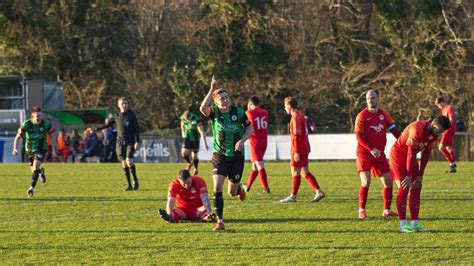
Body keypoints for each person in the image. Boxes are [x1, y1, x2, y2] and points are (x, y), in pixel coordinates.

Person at [199, 76, 253, 231]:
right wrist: (211, 90)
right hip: (220, 155)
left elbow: (250, 129)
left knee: (232, 191)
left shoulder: (239, 112)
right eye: (221, 98)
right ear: (215, 102)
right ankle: (220, 221)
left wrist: (242, 141)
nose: (224, 100)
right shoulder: (214, 113)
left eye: (226, 97)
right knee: (217, 187)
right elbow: (202, 108)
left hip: (236, 156)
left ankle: (240, 189)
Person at [390, 115, 450, 232]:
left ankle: (414, 223)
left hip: (410, 159)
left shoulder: (434, 135)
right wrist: (408, 175)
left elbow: (426, 154)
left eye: (441, 132)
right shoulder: (416, 129)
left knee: (417, 186)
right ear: (434, 124)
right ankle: (403, 225)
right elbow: (410, 153)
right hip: (398, 156)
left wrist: (420, 175)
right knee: (404, 186)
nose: (439, 134)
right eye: (439, 130)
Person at [354, 90, 401, 219]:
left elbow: (394, 130)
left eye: (373, 98)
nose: (370, 100)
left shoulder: (384, 115)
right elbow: (358, 136)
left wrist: (403, 141)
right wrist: (370, 149)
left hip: (379, 153)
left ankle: (387, 210)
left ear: (378, 99)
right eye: (368, 98)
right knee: (366, 181)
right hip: (364, 153)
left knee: (388, 181)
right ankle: (361, 210)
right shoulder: (362, 116)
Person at [280, 97, 325, 203]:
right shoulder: (300, 116)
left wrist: (296, 151)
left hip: (299, 148)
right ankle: (319, 192)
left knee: (295, 171)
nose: (284, 108)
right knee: (304, 172)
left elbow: (297, 135)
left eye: (285, 106)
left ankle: (293, 196)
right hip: (304, 147)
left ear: (289, 106)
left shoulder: (295, 117)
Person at [96, 97, 140, 191]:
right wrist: (95, 129)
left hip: (130, 141)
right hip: (120, 142)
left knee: (129, 161)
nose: (125, 105)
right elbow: (106, 125)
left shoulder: (131, 115)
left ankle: (135, 179)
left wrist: (137, 141)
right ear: (119, 105)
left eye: (126, 103)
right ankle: (129, 185)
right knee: (124, 163)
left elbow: (136, 129)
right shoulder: (116, 115)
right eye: (123, 103)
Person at [11, 107, 56, 197]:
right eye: (37, 115)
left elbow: (52, 136)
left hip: (41, 148)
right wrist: (15, 148)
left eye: (40, 115)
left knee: (35, 166)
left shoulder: (46, 124)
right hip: (30, 149)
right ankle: (41, 171)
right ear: (32, 115)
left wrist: (54, 149)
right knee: (34, 170)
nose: (39, 117)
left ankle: (31, 188)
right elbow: (18, 137)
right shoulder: (26, 124)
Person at [244, 95, 270, 193]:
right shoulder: (265, 112)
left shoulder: (248, 113)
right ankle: (247, 186)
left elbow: (245, 126)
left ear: (250, 104)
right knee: (254, 166)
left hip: (255, 141)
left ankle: (266, 188)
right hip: (264, 141)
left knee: (259, 165)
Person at [180, 110, 208, 175]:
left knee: (194, 156)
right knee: (184, 153)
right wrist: (182, 133)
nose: (187, 121)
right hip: (187, 136)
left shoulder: (197, 120)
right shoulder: (183, 117)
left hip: (195, 138)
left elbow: (201, 132)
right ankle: (189, 163)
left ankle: (196, 169)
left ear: (191, 116)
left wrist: (204, 143)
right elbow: (182, 124)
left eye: (188, 120)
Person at [435, 96, 457, 173]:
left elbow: (451, 119)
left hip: (449, 130)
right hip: (447, 130)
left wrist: (445, 128)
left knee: (441, 147)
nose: (438, 107)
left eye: (438, 105)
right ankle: (453, 167)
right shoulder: (443, 110)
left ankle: (452, 164)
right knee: (449, 148)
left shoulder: (449, 108)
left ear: (441, 102)